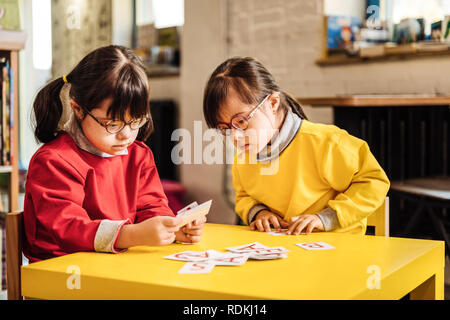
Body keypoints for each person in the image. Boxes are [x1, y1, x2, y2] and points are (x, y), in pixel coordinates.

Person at [23, 45, 205, 263]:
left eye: (136, 121)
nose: (126, 135)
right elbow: (67, 228)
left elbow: (151, 206)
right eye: (113, 124)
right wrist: (132, 235)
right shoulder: (54, 161)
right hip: (64, 274)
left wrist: (170, 229)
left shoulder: (138, 155)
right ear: (78, 109)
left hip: (114, 266)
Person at [203, 57, 390, 235]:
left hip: (338, 251)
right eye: (224, 129)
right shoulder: (243, 159)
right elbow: (244, 196)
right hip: (285, 252)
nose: (235, 137)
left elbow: (374, 181)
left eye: (241, 122)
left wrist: (325, 218)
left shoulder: (325, 142)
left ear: (273, 103)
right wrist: (259, 213)